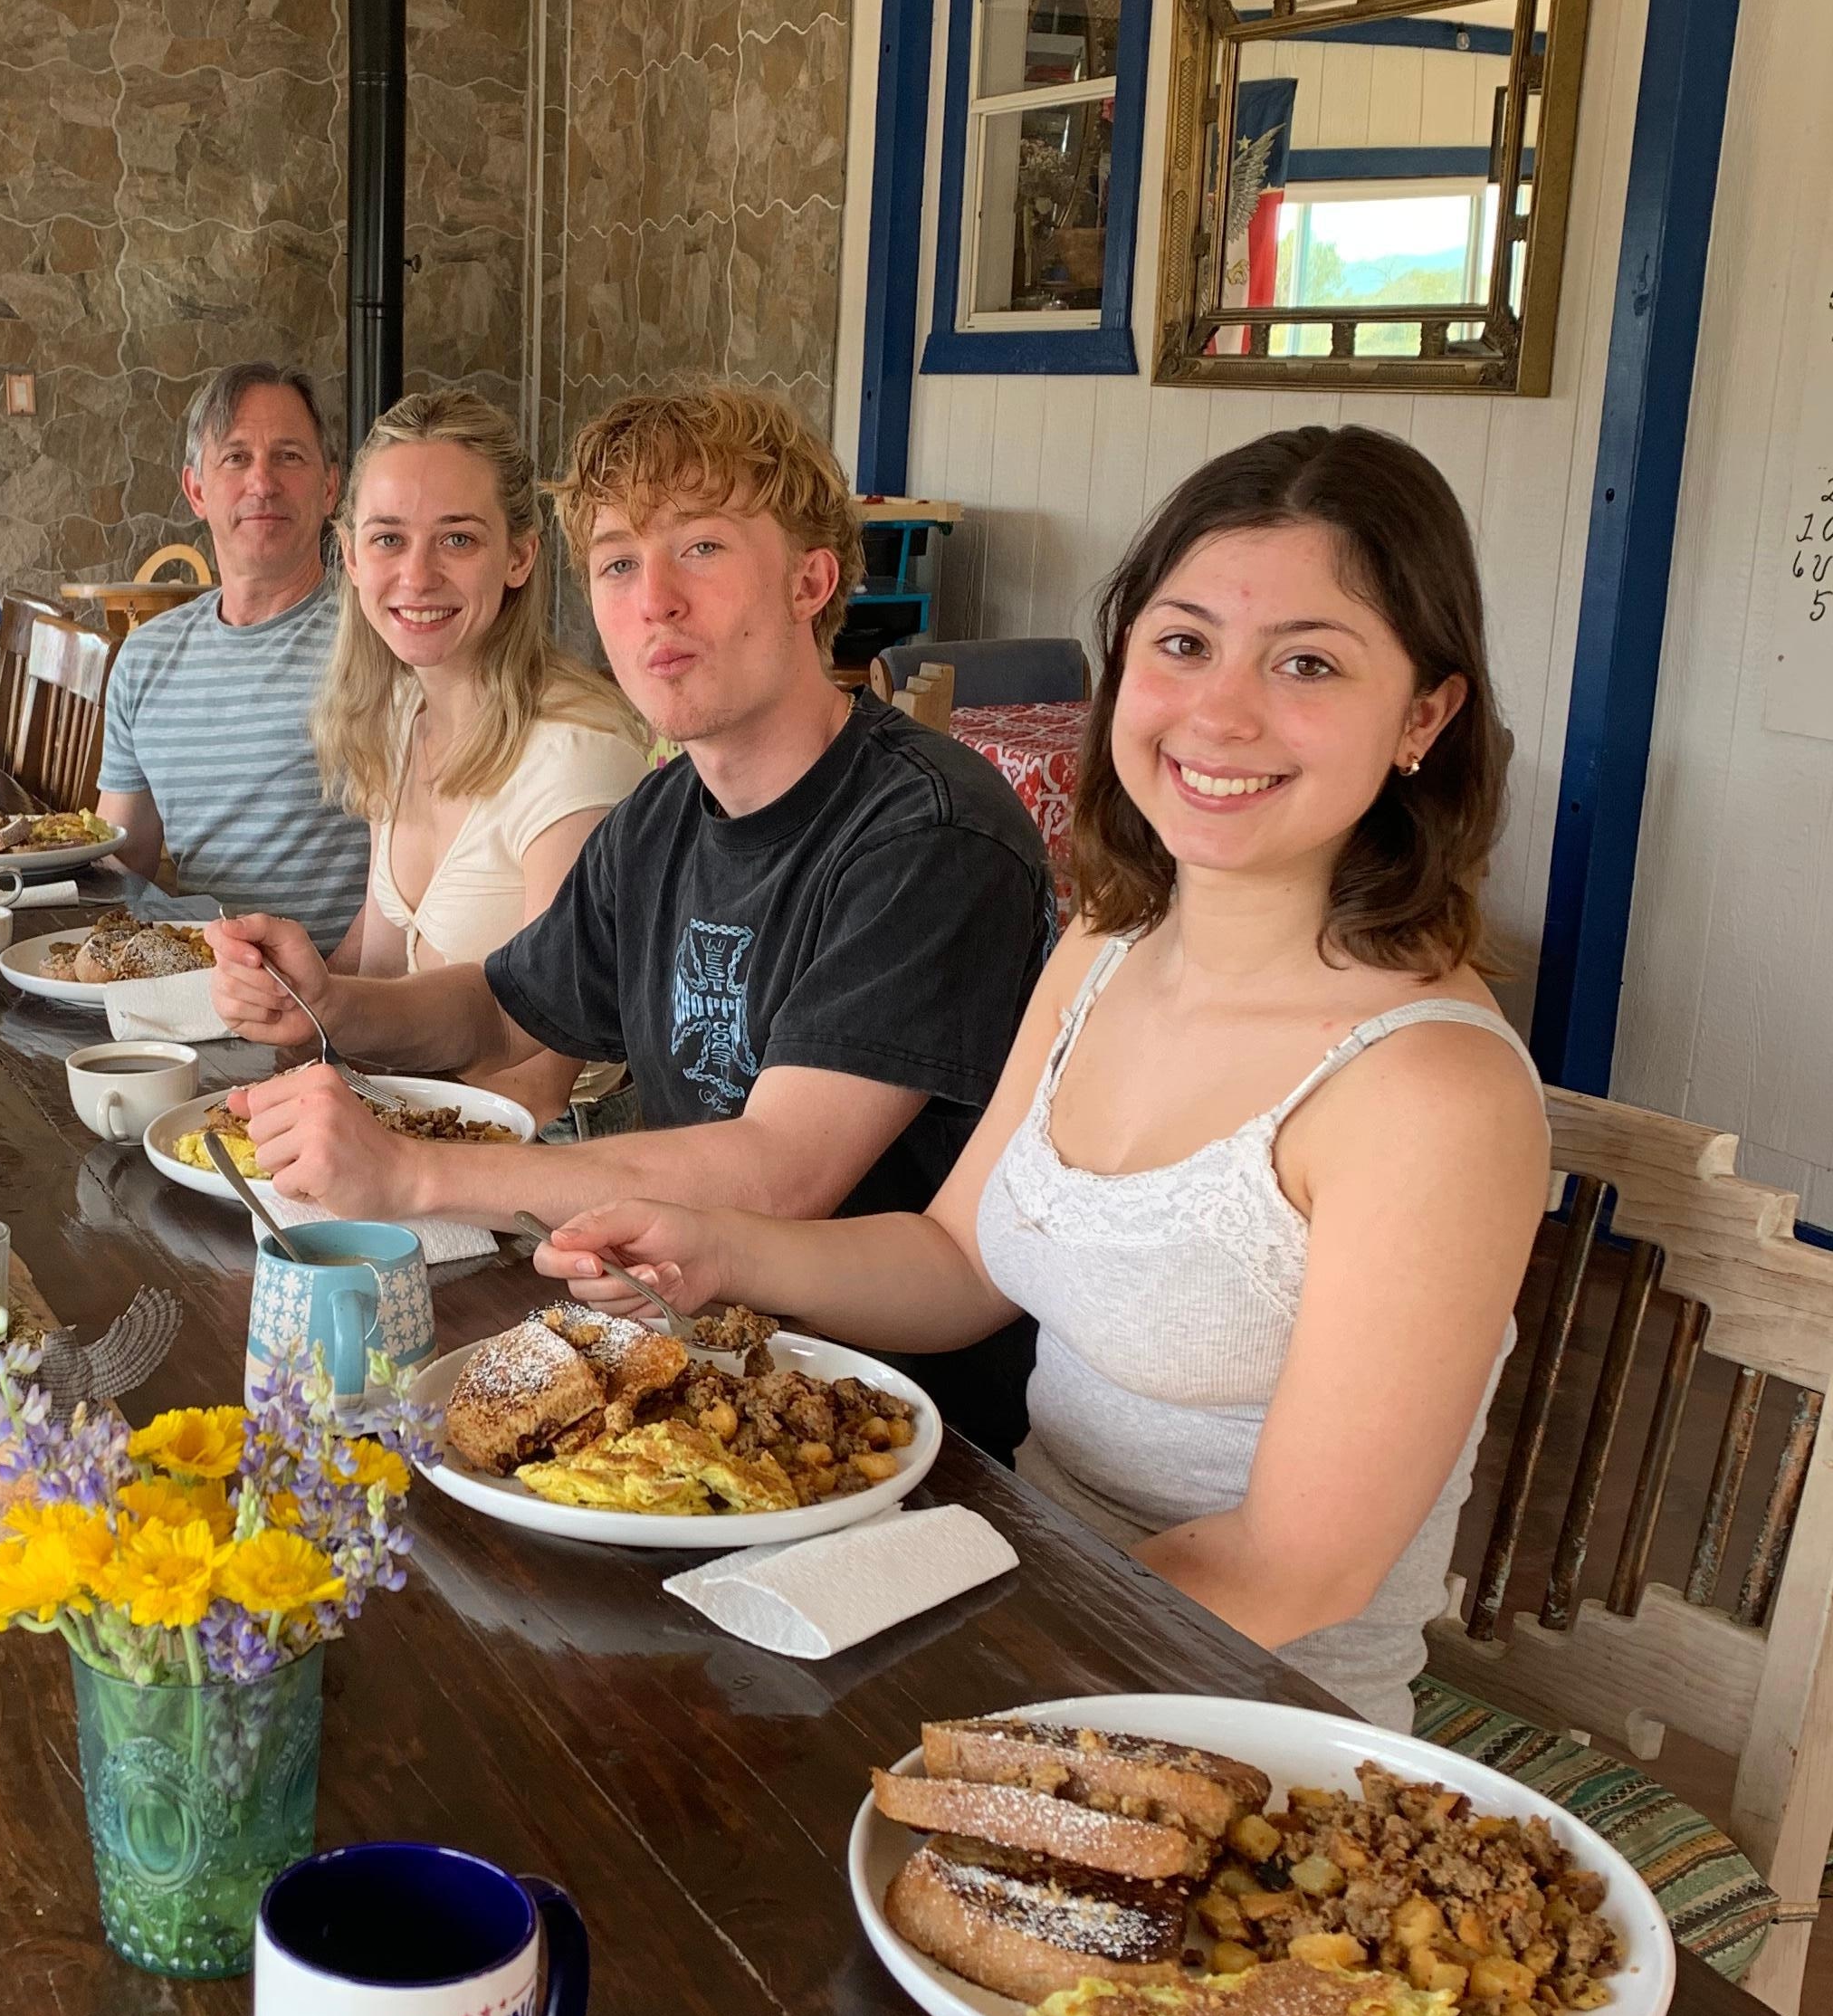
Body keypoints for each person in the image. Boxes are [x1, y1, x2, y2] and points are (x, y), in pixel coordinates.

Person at [538, 424, 1550, 1727]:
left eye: (1308, 662)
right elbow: (961, 1262)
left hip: (1239, 1722)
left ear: (1424, 716)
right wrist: (716, 1252)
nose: (1220, 713)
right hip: (1013, 1605)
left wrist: (931, 1643)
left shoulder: (1429, 1096)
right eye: (1182, 645)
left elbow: (1291, 1568)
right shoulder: (1110, 945)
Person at [212, 383, 1055, 1450]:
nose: (651, 598)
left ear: (813, 579)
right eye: (616, 562)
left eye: (699, 548)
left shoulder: (928, 834)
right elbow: (508, 1008)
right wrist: (334, 1001)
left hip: (895, 1427)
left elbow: (780, 1170)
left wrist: (417, 1171)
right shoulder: (666, 811)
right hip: (681, 1362)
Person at [307, 385, 646, 1121]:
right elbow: (377, 959)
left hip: (548, 1157)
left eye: (457, 538)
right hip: (414, 1115)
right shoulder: (401, 708)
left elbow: (540, 1081)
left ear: (520, 556)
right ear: (351, 556)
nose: (417, 575)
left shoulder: (575, 753)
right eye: (388, 538)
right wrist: (292, 1008)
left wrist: (358, 1140)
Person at [94, 363, 372, 945]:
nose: (263, 483)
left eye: (290, 456)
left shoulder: (378, 641)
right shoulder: (145, 660)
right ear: (196, 489)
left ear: (329, 487)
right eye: (237, 457)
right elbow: (121, 868)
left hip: (344, 1005)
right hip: (195, 987)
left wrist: (326, 1011)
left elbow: (417, 882)